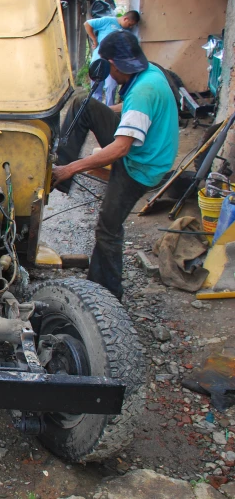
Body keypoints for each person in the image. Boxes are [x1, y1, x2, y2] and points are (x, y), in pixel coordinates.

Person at [52, 30, 179, 300]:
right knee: (82, 103)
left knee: (108, 229)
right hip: (150, 150)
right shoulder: (150, 73)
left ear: (112, 64)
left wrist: (71, 168)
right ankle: (57, 178)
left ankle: (106, 293)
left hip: (142, 166)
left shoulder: (143, 92)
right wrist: (102, 113)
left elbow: (120, 149)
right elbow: (131, 109)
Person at [85, 10, 141, 106]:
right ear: (125, 18)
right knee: (96, 88)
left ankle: (109, 111)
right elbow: (87, 24)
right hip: (99, 60)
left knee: (111, 87)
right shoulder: (108, 21)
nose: (131, 27)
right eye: (130, 24)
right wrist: (94, 39)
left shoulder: (126, 32)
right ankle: (95, 111)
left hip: (114, 64)